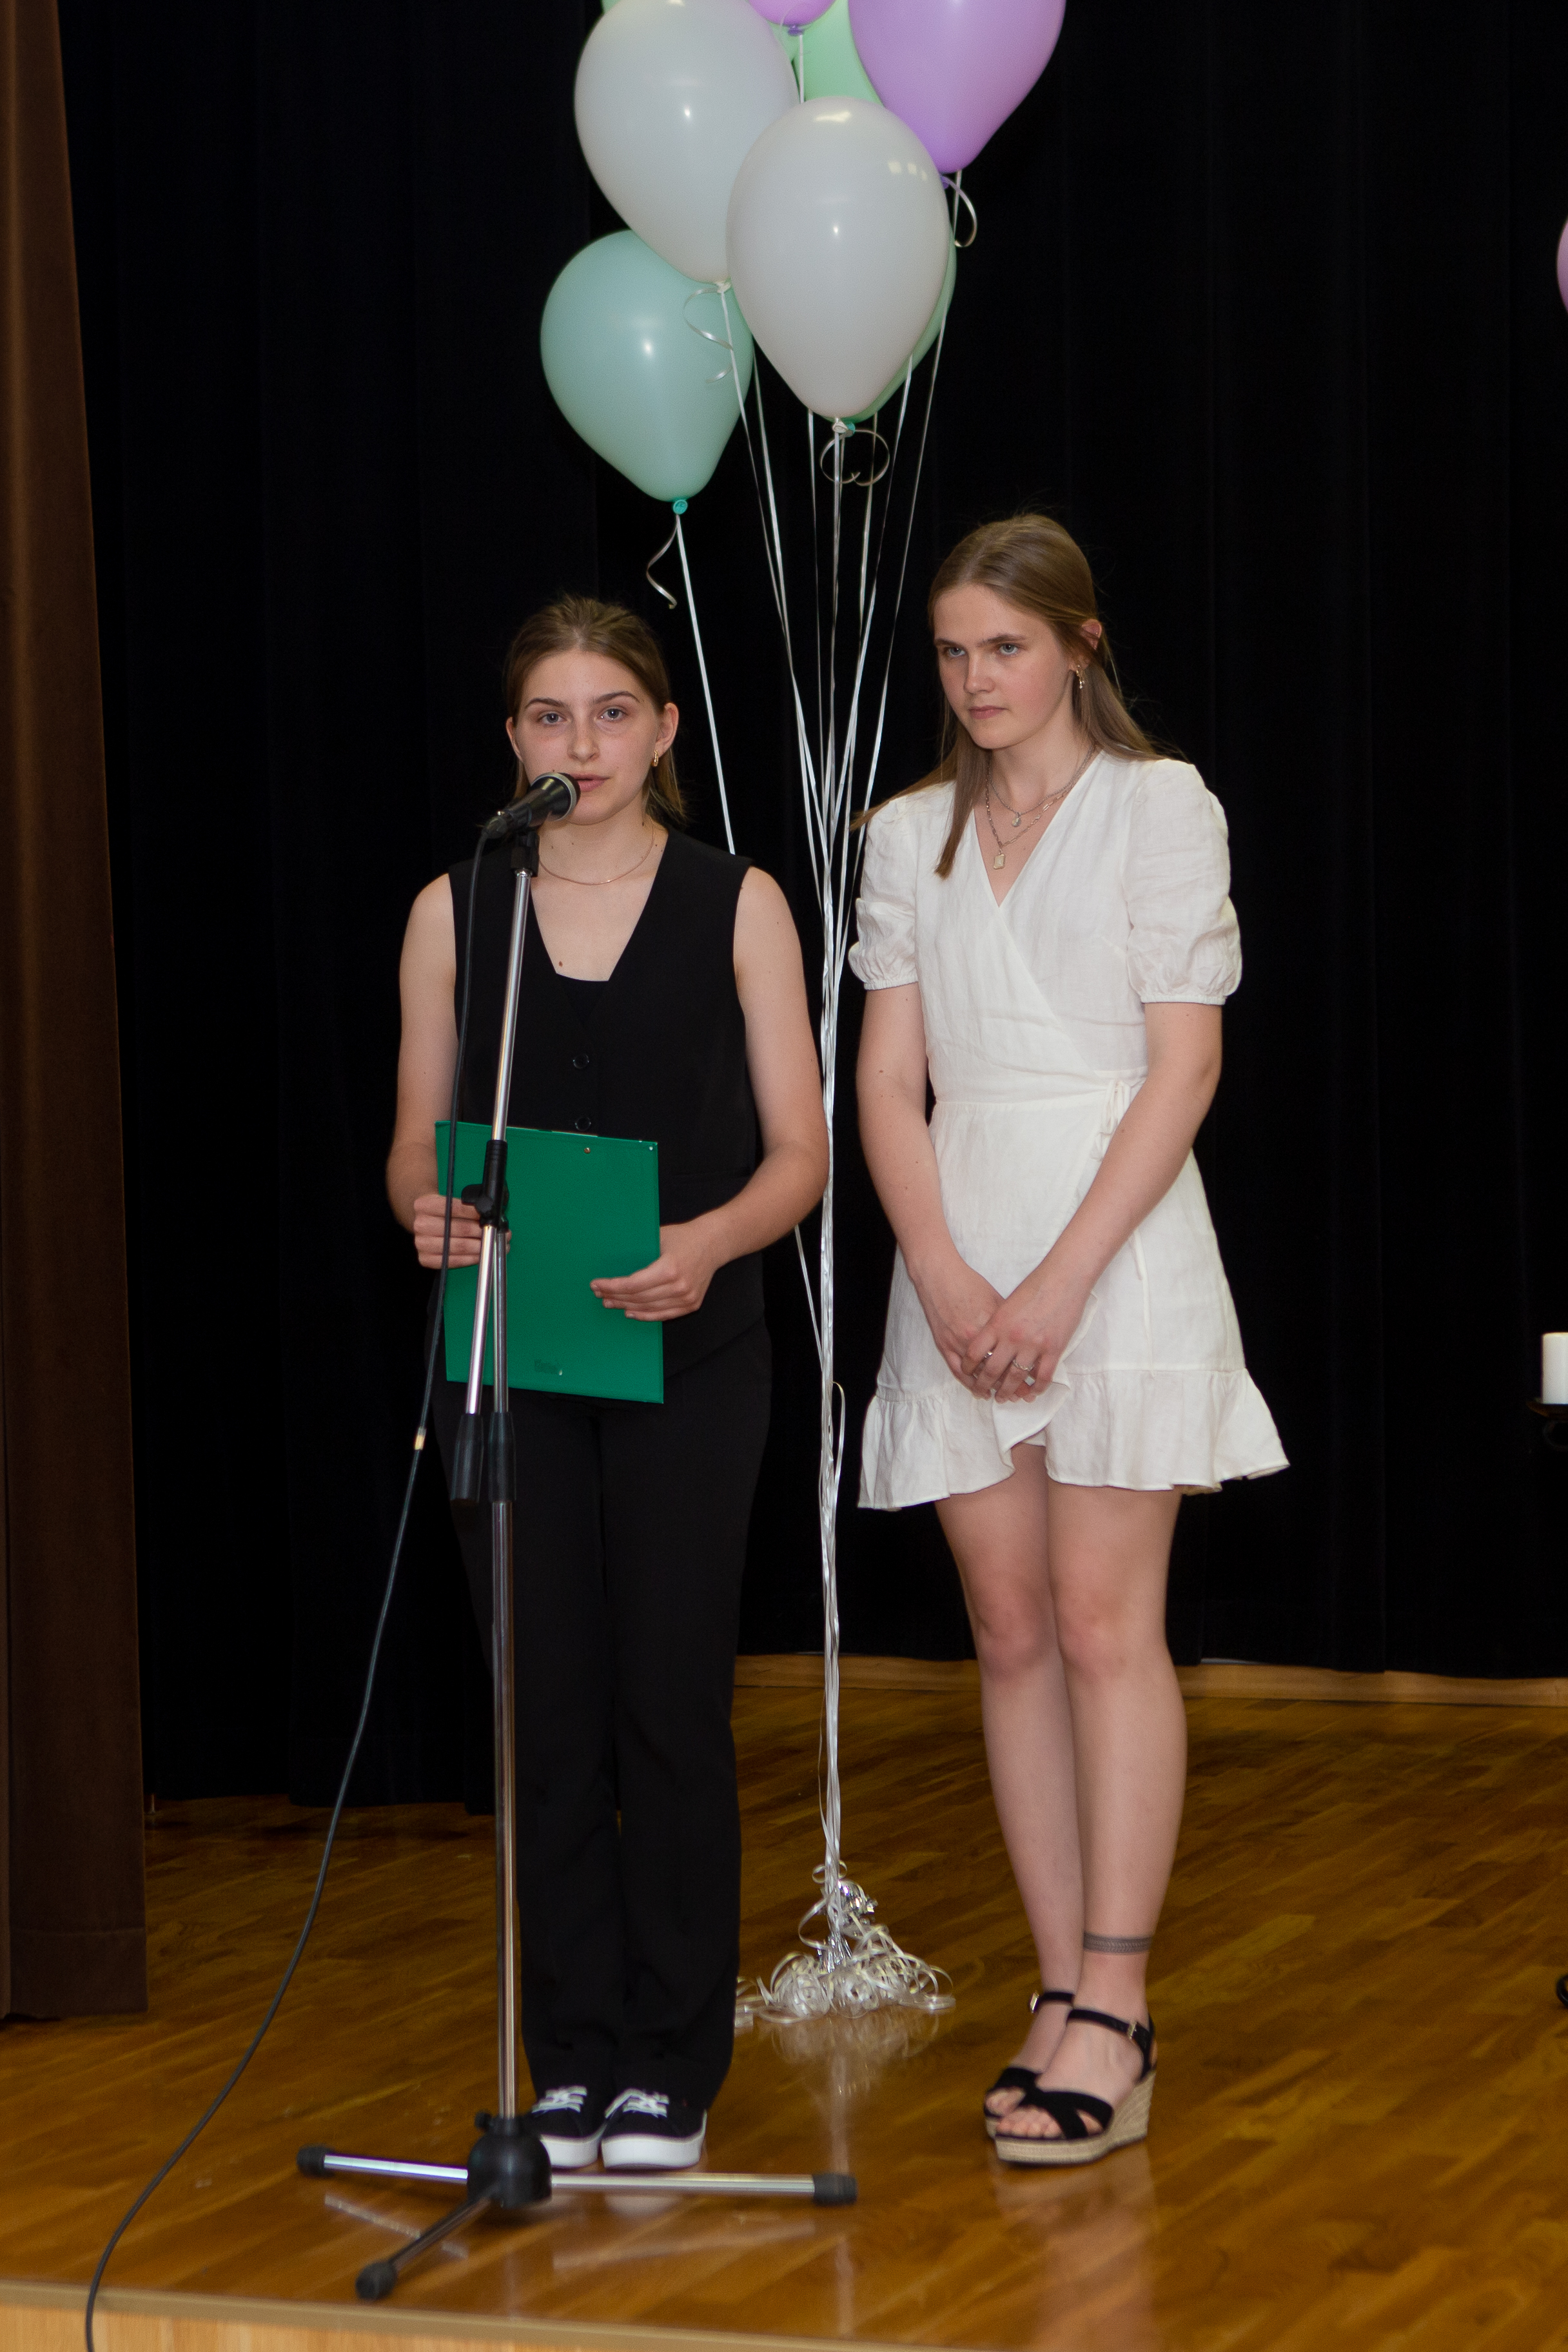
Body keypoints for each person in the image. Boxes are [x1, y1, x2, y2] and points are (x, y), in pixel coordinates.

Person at [850, 516, 1285, 2167]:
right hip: (957, 1248)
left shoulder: (1159, 807)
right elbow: (886, 1080)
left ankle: (1117, 1998)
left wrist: (1053, 1288)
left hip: (1116, 1247)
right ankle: (1053, 1987)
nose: (976, 679)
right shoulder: (908, 833)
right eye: (953, 652)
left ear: (1079, 646)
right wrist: (946, 1277)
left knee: (1107, 1627)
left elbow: (1186, 1068)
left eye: (1006, 647)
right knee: (1010, 1628)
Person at [387, 596, 828, 2171]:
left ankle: (669, 2063)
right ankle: (569, 2054)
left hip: (688, 1352)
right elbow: (413, 1140)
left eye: (611, 713)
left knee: (666, 1702)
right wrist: (425, 1209)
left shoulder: (738, 902)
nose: (580, 744)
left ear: (663, 730)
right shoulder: (458, 907)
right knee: (543, 1709)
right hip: (510, 1357)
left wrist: (709, 1242)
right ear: (512, 739)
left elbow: (801, 1155)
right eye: (549, 718)